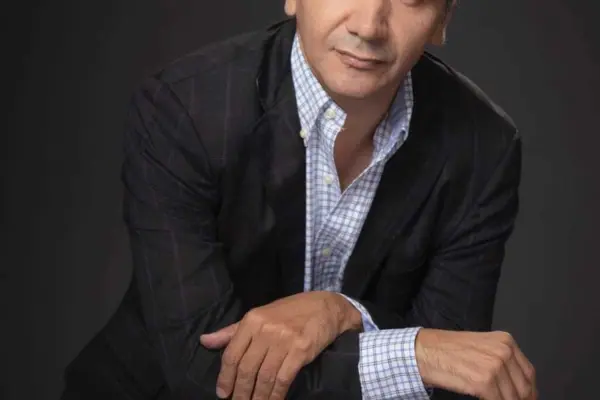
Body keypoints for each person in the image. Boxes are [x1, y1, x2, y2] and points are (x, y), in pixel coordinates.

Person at [61, 0, 537, 399]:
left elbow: (457, 374)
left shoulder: (484, 146)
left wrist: (340, 311)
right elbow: (201, 370)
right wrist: (416, 355)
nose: (369, 26)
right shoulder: (183, 108)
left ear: (442, 19)